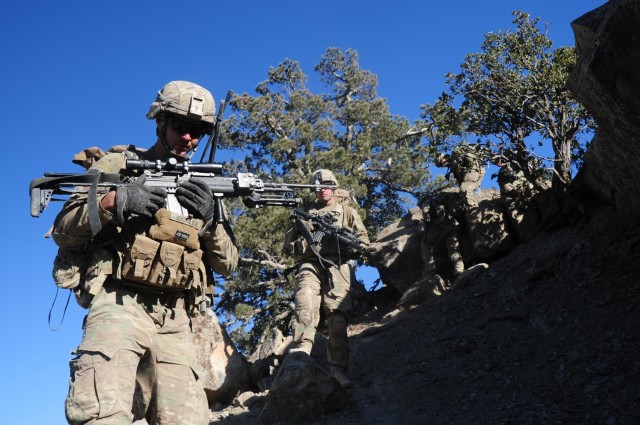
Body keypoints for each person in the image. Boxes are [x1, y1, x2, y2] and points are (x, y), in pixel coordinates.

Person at [52, 80, 239, 425]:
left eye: (198, 132)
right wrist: (114, 201)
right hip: (119, 302)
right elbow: (64, 230)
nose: (189, 139)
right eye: (182, 127)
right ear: (160, 122)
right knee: (101, 412)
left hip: (178, 317)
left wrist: (211, 221)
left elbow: (228, 264)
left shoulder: (206, 184)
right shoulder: (119, 165)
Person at [283, 169, 370, 389]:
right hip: (310, 263)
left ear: (334, 186)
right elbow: (288, 246)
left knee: (337, 317)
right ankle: (301, 352)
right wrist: (308, 241)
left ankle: (338, 370)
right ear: (313, 189)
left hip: (338, 265)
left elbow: (363, 241)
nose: (324, 189)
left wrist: (344, 240)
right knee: (304, 302)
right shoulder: (303, 213)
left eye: (328, 185)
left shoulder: (347, 212)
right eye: (319, 186)